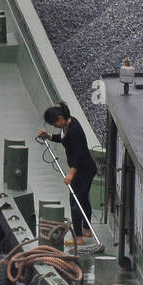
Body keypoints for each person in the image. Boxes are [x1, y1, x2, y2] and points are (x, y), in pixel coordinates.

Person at [37, 101, 97, 248]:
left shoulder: (74, 130)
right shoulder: (68, 125)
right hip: (86, 168)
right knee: (83, 199)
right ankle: (87, 229)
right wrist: (50, 136)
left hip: (83, 170)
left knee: (75, 202)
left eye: (54, 124)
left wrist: (71, 174)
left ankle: (78, 237)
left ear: (60, 118)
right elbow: (63, 139)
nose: (55, 126)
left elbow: (79, 154)